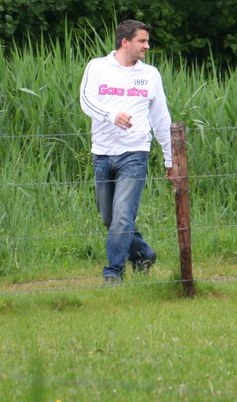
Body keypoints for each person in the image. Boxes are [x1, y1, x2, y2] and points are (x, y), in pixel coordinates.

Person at [79, 19, 175, 284]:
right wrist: (111, 115)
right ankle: (143, 253)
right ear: (125, 42)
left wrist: (170, 159)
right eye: (142, 41)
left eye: (147, 41)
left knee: (122, 217)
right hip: (102, 154)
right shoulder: (97, 67)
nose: (147, 46)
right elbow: (86, 100)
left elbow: (161, 119)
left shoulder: (151, 75)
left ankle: (114, 274)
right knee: (109, 219)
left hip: (135, 153)